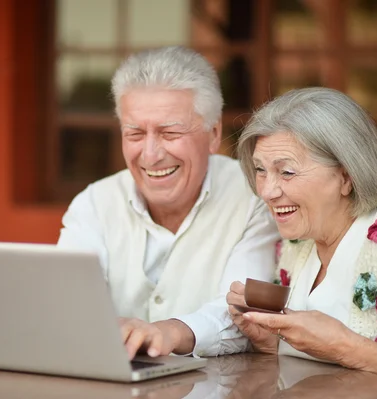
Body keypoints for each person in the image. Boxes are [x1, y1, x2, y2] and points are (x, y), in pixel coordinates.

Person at [227, 87, 377, 398]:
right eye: (261, 170)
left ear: (346, 176)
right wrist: (269, 339)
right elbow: (319, 362)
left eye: (286, 171)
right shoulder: (299, 241)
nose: (268, 192)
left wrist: (345, 346)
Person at [57, 46, 279, 359]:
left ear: (214, 134)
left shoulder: (255, 197)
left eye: (170, 133)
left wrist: (171, 332)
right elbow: (65, 301)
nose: (150, 155)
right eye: (134, 134)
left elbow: (245, 313)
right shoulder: (93, 203)